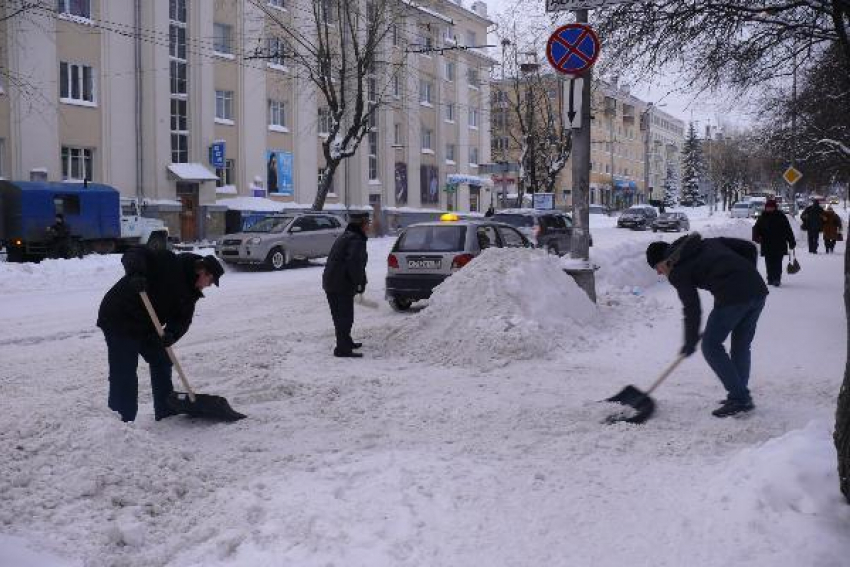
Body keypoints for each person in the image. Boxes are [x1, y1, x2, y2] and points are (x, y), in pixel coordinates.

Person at [646, 233, 768, 418]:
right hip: (757, 290)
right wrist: (746, 274)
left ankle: (740, 398)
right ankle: (740, 394)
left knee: (711, 346)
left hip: (733, 297)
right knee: (741, 346)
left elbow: (692, 308)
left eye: (657, 267)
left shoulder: (677, 269)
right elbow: (748, 247)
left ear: (663, 261)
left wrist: (690, 341)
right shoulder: (705, 243)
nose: (659, 272)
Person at [97, 247, 223, 422]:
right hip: (119, 316)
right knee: (124, 371)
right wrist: (136, 274)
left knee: (162, 360)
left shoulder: (190, 293)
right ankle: (121, 422)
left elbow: (182, 320)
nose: (208, 286)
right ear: (202, 270)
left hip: (145, 323)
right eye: (210, 281)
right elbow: (134, 253)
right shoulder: (168, 261)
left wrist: (170, 333)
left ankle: (165, 410)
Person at [322, 212, 369, 358]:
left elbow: (356, 263)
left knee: (341, 315)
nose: (369, 226)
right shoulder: (356, 239)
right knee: (344, 317)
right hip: (340, 283)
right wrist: (359, 282)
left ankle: (346, 341)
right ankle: (342, 349)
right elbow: (354, 263)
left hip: (333, 281)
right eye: (367, 223)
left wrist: (361, 279)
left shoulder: (347, 236)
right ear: (361, 224)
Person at [752, 198, 796, 286]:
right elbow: (756, 229)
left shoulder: (781, 216)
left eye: (771, 207)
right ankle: (770, 278)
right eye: (768, 207)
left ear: (775, 207)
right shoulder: (762, 217)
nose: (769, 209)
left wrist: (791, 241)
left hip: (779, 243)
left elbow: (787, 230)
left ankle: (777, 279)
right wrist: (756, 237)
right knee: (769, 262)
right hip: (767, 243)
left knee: (777, 262)